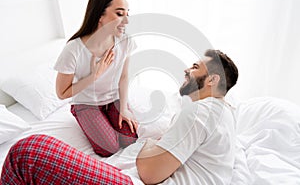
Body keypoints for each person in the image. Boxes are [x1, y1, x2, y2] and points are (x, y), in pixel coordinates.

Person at [1, 49, 239, 184]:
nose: (187, 70)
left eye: (195, 67)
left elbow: (149, 173)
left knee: (28, 150)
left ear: (212, 80)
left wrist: (150, 144)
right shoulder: (226, 112)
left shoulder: (200, 110)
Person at [54, 0, 138, 157]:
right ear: (100, 14)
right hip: (87, 103)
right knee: (108, 149)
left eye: (127, 13)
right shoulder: (73, 49)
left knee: (130, 138)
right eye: (120, 14)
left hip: (113, 99)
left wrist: (124, 108)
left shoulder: (125, 41)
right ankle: (83, 116)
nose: (126, 21)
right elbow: (62, 93)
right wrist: (94, 76)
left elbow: (124, 77)